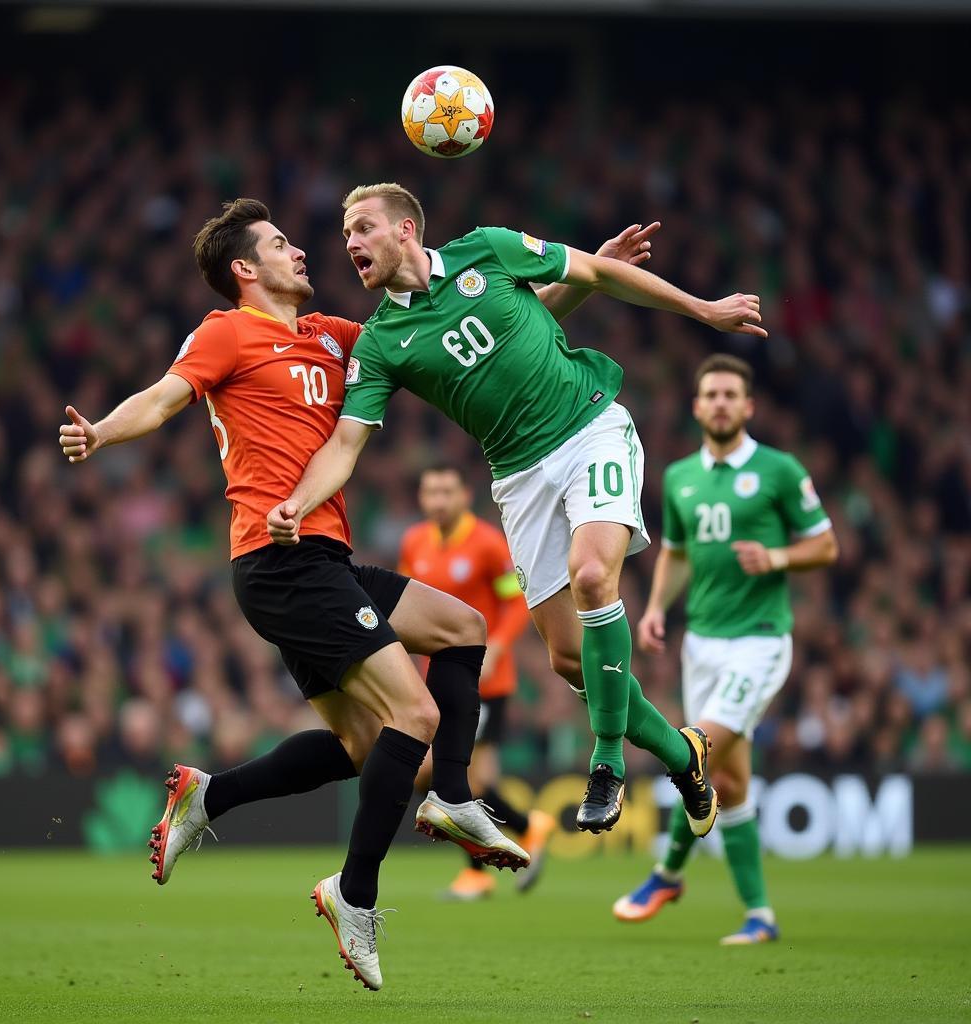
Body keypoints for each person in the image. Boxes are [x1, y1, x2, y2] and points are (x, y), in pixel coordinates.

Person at [57, 198, 532, 992]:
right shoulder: (224, 331)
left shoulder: (337, 335)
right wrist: (102, 431)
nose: (302, 252)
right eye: (281, 244)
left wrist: (587, 280)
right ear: (246, 270)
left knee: (451, 638)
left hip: (325, 558)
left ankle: (212, 796)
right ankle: (361, 889)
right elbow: (165, 398)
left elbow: (463, 330)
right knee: (413, 716)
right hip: (280, 560)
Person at [268, 182, 767, 839]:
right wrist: (299, 501)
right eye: (346, 235)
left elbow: (592, 271)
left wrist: (703, 311)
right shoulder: (381, 343)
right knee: (567, 658)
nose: (351, 244)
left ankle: (608, 762)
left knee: (593, 577)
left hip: (590, 428)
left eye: (363, 228)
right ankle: (684, 754)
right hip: (519, 478)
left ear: (405, 230)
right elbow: (347, 441)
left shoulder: (489, 250)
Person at [612, 353, 838, 944]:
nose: (718, 403)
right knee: (730, 784)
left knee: (696, 748)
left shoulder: (779, 470)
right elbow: (678, 552)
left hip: (759, 641)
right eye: (709, 394)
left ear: (747, 406)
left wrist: (779, 557)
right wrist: (658, 607)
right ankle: (760, 915)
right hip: (703, 644)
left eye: (729, 394)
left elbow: (826, 545)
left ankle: (666, 873)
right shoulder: (683, 477)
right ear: (696, 407)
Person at [400, 463, 555, 900]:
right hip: (435, 675)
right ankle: (525, 828)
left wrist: (498, 647)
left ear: (465, 495)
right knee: (448, 777)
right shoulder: (414, 543)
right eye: (431, 492)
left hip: (485, 681)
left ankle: (480, 868)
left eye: (447, 491)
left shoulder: (487, 543)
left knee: (451, 775)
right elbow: (408, 603)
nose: (439, 500)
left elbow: (514, 602)